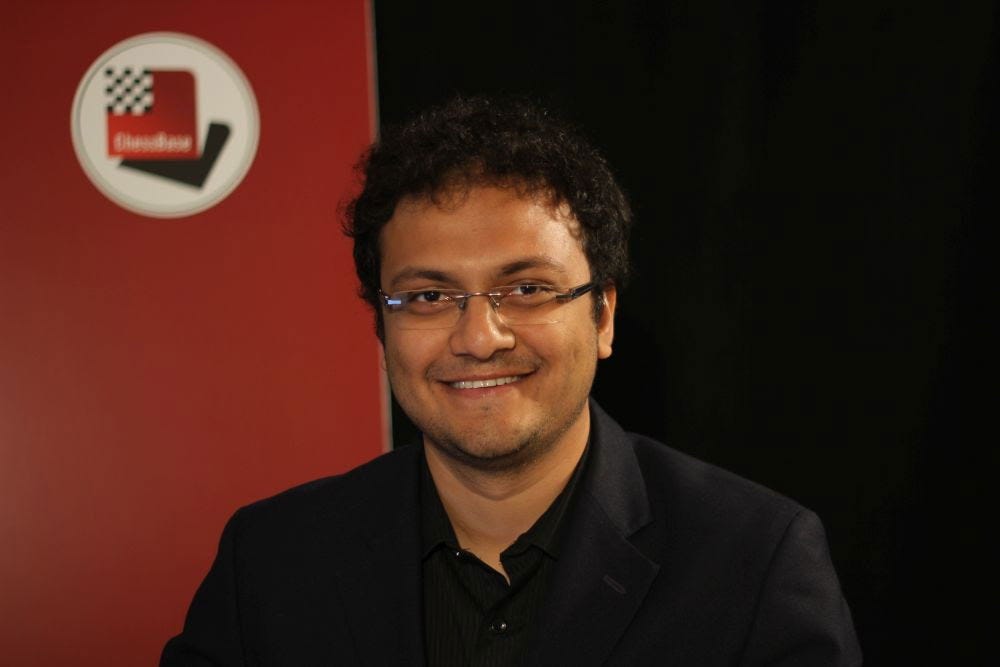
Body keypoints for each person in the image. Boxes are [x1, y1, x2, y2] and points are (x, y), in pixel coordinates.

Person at [162, 96, 861, 666]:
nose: (479, 338)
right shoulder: (272, 562)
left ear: (603, 315)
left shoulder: (753, 562)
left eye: (526, 288)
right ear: (382, 328)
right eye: (429, 296)